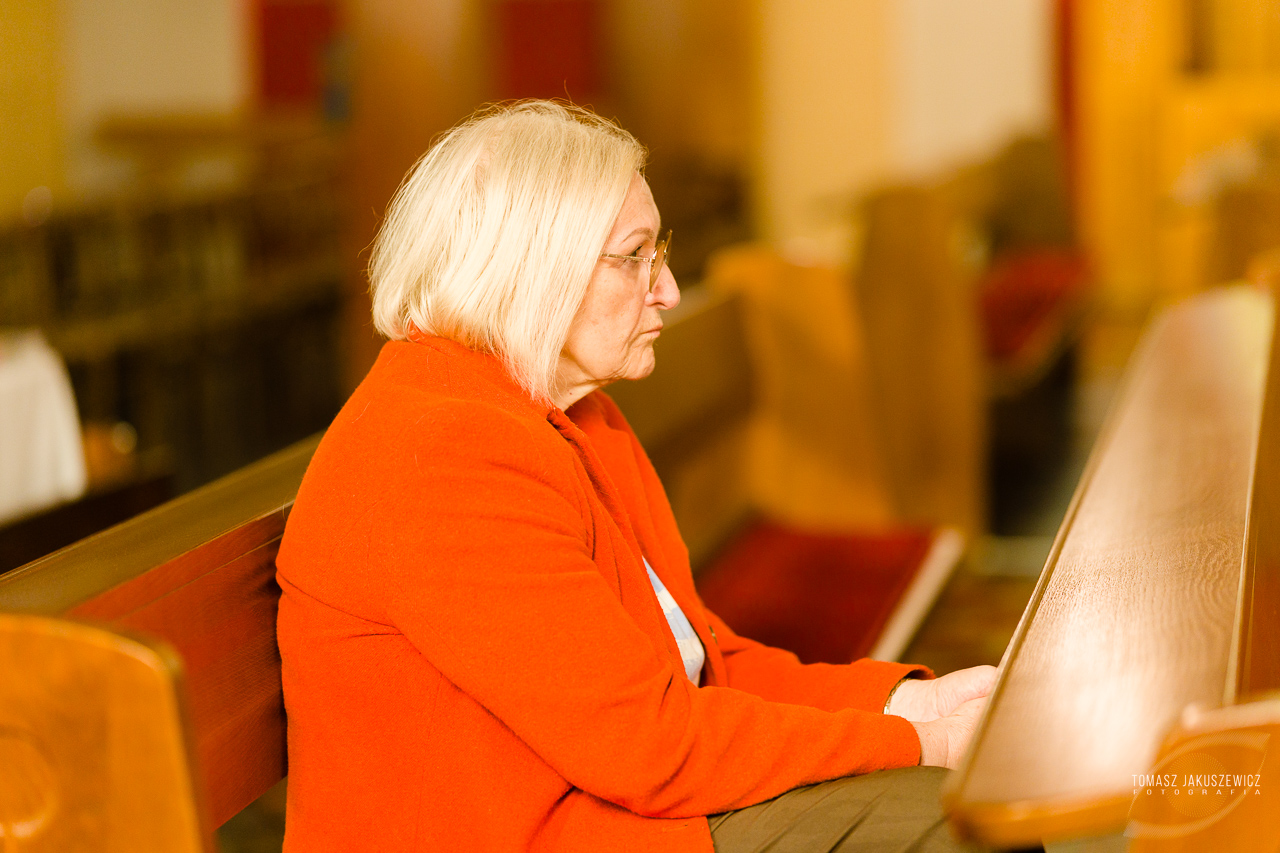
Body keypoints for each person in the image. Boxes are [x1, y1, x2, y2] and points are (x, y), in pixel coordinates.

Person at [275, 100, 996, 853]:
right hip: (548, 829)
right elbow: (650, 745)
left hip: (608, 806)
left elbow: (704, 664)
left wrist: (904, 703)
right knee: (945, 819)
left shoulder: (573, 414)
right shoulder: (445, 452)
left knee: (953, 804)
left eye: (660, 251)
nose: (669, 289)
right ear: (530, 267)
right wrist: (920, 744)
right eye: (633, 256)